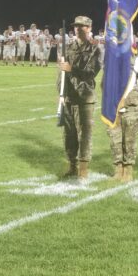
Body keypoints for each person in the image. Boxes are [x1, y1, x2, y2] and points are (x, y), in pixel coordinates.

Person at [58, 16, 102, 178]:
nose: (78, 29)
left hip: (84, 97)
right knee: (69, 134)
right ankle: (72, 165)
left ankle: (83, 168)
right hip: (69, 96)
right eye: (76, 26)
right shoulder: (69, 47)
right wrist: (61, 93)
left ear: (89, 28)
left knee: (84, 134)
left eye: (82, 26)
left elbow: (91, 72)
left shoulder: (94, 49)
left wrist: (72, 68)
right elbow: (61, 73)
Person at [106, 46, 138, 182]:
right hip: (113, 107)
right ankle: (118, 169)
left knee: (129, 139)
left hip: (131, 108)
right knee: (115, 139)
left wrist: (126, 100)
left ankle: (128, 169)